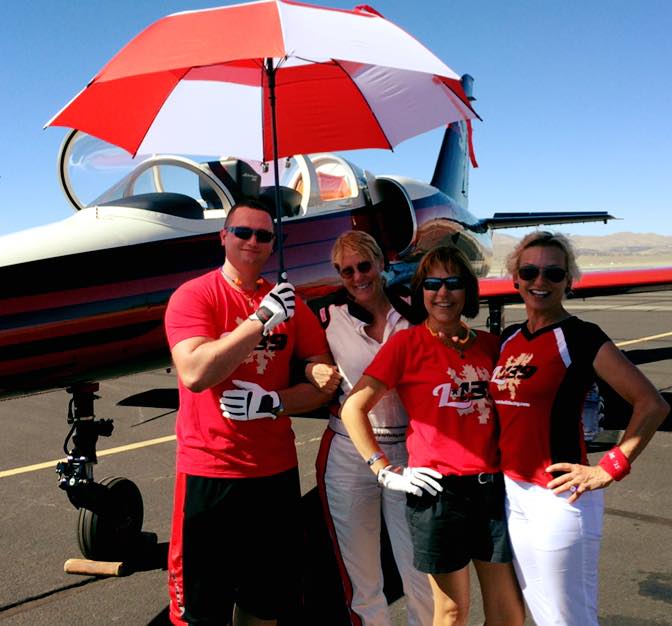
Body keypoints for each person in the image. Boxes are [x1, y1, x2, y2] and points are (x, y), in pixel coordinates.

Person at [164, 198, 332, 626]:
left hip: (274, 474)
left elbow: (323, 382)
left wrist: (276, 402)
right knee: (202, 613)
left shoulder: (290, 304)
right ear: (223, 237)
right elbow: (195, 373)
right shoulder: (194, 296)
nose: (252, 242)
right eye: (243, 232)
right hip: (211, 474)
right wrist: (259, 321)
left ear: (273, 244)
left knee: (266, 605)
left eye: (263, 235)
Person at [490, 230, 669, 626]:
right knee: (538, 609)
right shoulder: (509, 338)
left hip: (559, 498)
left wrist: (610, 467)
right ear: (515, 278)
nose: (540, 281)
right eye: (530, 271)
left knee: (567, 618)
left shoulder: (581, 337)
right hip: (513, 494)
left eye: (553, 274)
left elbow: (652, 404)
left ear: (569, 281)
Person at [340, 246, 524, 626]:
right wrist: (382, 468)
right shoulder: (406, 345)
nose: (443, 293)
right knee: (452, 611)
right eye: (433, 284)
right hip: (438, 496)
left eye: (453, 283)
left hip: (493, 493)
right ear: (421, 292)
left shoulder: (491, 347)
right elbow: (352, 407)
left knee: (508, 612)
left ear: (467, 291)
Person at [309, 231, 434, 626]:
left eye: (364, 266)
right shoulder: (326, 315)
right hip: (349, 453)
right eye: (347, 271)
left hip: (411, 450)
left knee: (421, 572)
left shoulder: (417, 309)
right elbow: (303, 355)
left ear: (381, 263)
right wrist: (312, 368)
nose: (357, 276)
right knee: (361, 576)